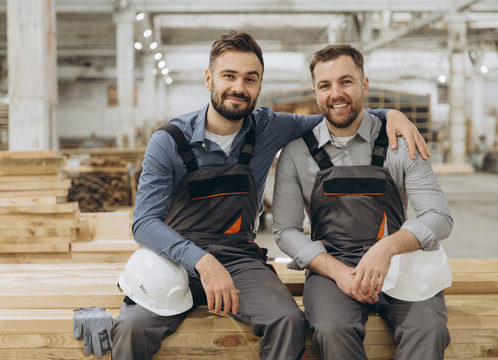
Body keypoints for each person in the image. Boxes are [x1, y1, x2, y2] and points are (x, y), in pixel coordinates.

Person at [110, 31, 428, 360]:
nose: (239, 87)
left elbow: (337, 112)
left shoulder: (269, 127)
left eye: (250, 79)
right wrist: (202, 262)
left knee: (288, 321)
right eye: (228, 76)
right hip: (173, 259)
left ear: (260, 86)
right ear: (209, 79)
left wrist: (390, 114)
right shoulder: (170, 141)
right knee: (132, 329)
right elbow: (144, 223)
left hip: (238, 260)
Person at [273, 44, 452, 360]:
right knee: (331, 328)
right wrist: (338, 271)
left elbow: (438, 216)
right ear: (315, 93)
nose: (336, 93)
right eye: (325, 85)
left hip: (399, 261)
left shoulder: (399, 142)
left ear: (364, 84)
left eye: (346, 82)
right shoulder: (297, 153)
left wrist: (387, 249)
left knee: (429, 329)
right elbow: (285, 230)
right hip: (333, 266)